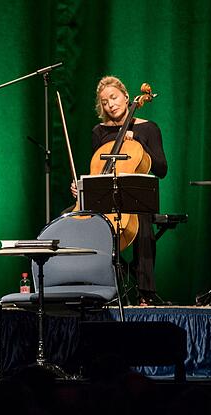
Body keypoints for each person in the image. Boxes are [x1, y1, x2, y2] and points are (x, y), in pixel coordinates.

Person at [73, 76, 167, 305]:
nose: (110, 104)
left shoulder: (148, 128)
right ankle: (97, 289)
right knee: (75, 219)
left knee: (142, 218)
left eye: (113, 98)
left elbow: (162, 169)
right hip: (106, 199)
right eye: (104, 102)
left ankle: (145, 292)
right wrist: (80, 187)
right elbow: (97, 169)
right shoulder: (99, 132)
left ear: (126, 97)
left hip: (136, 199)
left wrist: (139, 143)